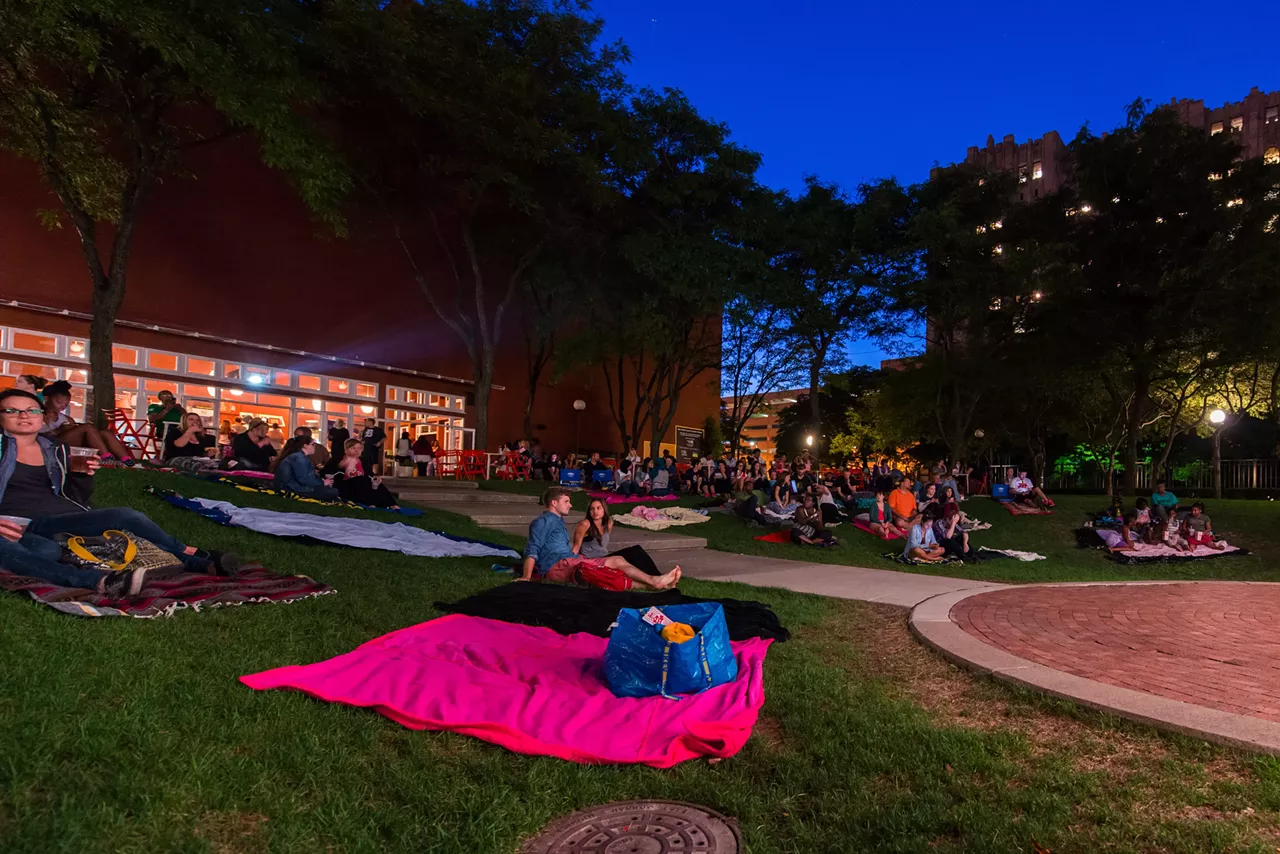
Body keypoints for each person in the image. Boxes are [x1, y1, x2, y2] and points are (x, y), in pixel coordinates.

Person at [0, 388, 238, 594]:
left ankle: (195, 558)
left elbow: (75, 496)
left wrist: (81, 476)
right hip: (19, 523)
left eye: (32, 410)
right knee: (46, 550)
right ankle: (100, 581)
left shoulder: (55, 449)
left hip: (60, 518)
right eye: (12, 411)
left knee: (124, 517)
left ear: (42, 418)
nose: (23, 416)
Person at [519, 487, 681, 590]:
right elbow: (532, 549)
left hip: (568, 561)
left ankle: (654, 585)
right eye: (566, 501)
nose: (570, 505)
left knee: (616, 568)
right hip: (559, 565)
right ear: (554, 503)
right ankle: (654, 581)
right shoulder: (542, 521)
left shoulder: (558, 521)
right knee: (616, 561)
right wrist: (526, 577)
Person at [40, 381, 135, 464]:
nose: (63, 407)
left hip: (72, 445)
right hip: (52, 445)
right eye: (59, 402)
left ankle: (126, 458)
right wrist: (59, 430)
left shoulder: (66, 418)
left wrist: (73, 427)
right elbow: (39, 437)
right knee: (87, 427)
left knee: (105, 432)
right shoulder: (40, 416)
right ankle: (105, 456)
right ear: (47, 399)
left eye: (66, 404)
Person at [572, 498, 663, 577]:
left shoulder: (608, 523)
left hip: (605, 558)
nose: (595, 511)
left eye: (598, 508)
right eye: (592, 509)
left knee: (636, 551)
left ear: (604, 509)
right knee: (633, 553)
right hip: (593, 561)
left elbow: (603, 545)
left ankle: (655, 576)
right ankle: (656, 577)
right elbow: (576, 548)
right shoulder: (585, 524)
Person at [334, 438, 401, 508]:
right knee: (361, 479)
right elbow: (332, 472)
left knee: (377, 483)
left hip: (362, 483)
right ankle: (370, 503)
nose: (356, 451)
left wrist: (376, 477)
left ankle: (391, 504)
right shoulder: (339, 460)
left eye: (359, 448)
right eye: (353, 448)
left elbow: (370, 473)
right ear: (346, 450)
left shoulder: (363, 461)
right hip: (347, 485)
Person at [272, 436, 340, 500]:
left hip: (290, 486)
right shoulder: (300, 457)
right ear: (305, 446)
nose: (315, 446)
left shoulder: (299, 456)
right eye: (312, 444)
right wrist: (322, 483)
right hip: (291, 488)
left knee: (331, 490)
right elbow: (304, 479)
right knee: (333, 491)